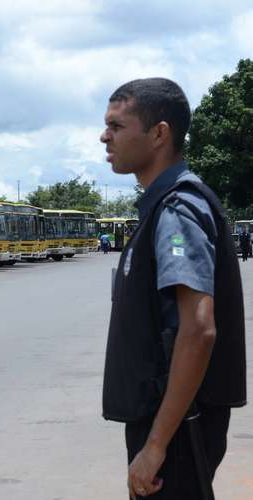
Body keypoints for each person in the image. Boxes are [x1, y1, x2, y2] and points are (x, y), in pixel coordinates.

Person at [100, 78, 246, 499]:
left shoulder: (178, 210)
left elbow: (198, 330)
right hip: (172, 418)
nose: (104, 136)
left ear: (159, 133)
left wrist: (156, 445)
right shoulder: (163, 206)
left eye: (117, 126)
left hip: (181, 425)